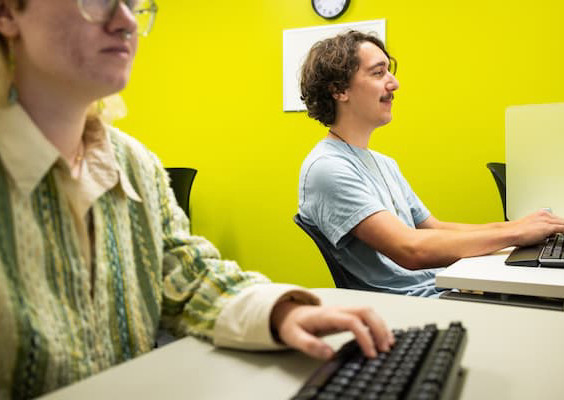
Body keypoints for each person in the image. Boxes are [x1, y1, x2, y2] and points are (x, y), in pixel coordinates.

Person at [0, 3, 395, 398]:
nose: (125, 22)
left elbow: (188, 278)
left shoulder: (135, 165)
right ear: (7, 13)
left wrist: (283, 312)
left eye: (134, 4)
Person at [298, 30, 564, 297]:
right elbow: (412, 250)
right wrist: (516, 235)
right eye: (379, 73)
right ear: (339, 90)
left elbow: (435, 229)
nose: (394, 83)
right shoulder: (327, 168)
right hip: (415, 304)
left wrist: (520, 227)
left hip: (444, 286)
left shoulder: (383, 163)